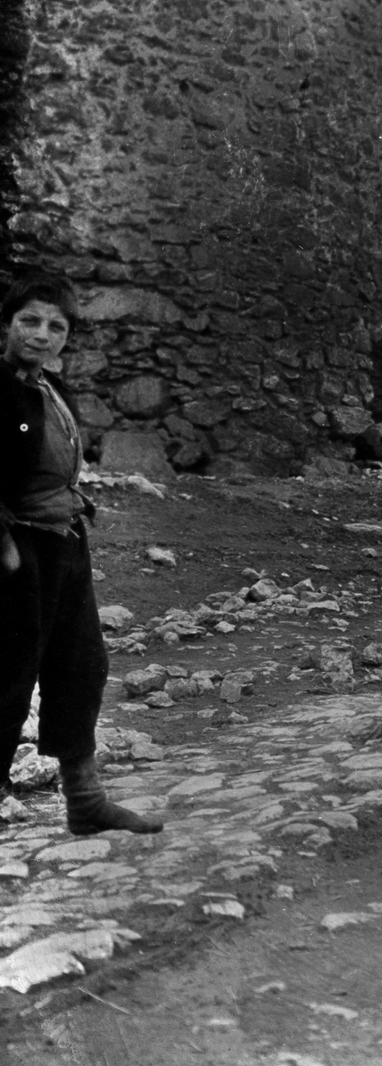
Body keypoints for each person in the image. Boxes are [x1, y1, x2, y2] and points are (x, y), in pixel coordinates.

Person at [0, 272, 162, 835]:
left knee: (82, 666)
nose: (42, 334)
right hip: (16, 553)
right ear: (7, 324)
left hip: (64, 543)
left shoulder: (48, 388)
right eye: (30, 321)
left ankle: (85, 799)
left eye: (56, 326)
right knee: (7, 680)